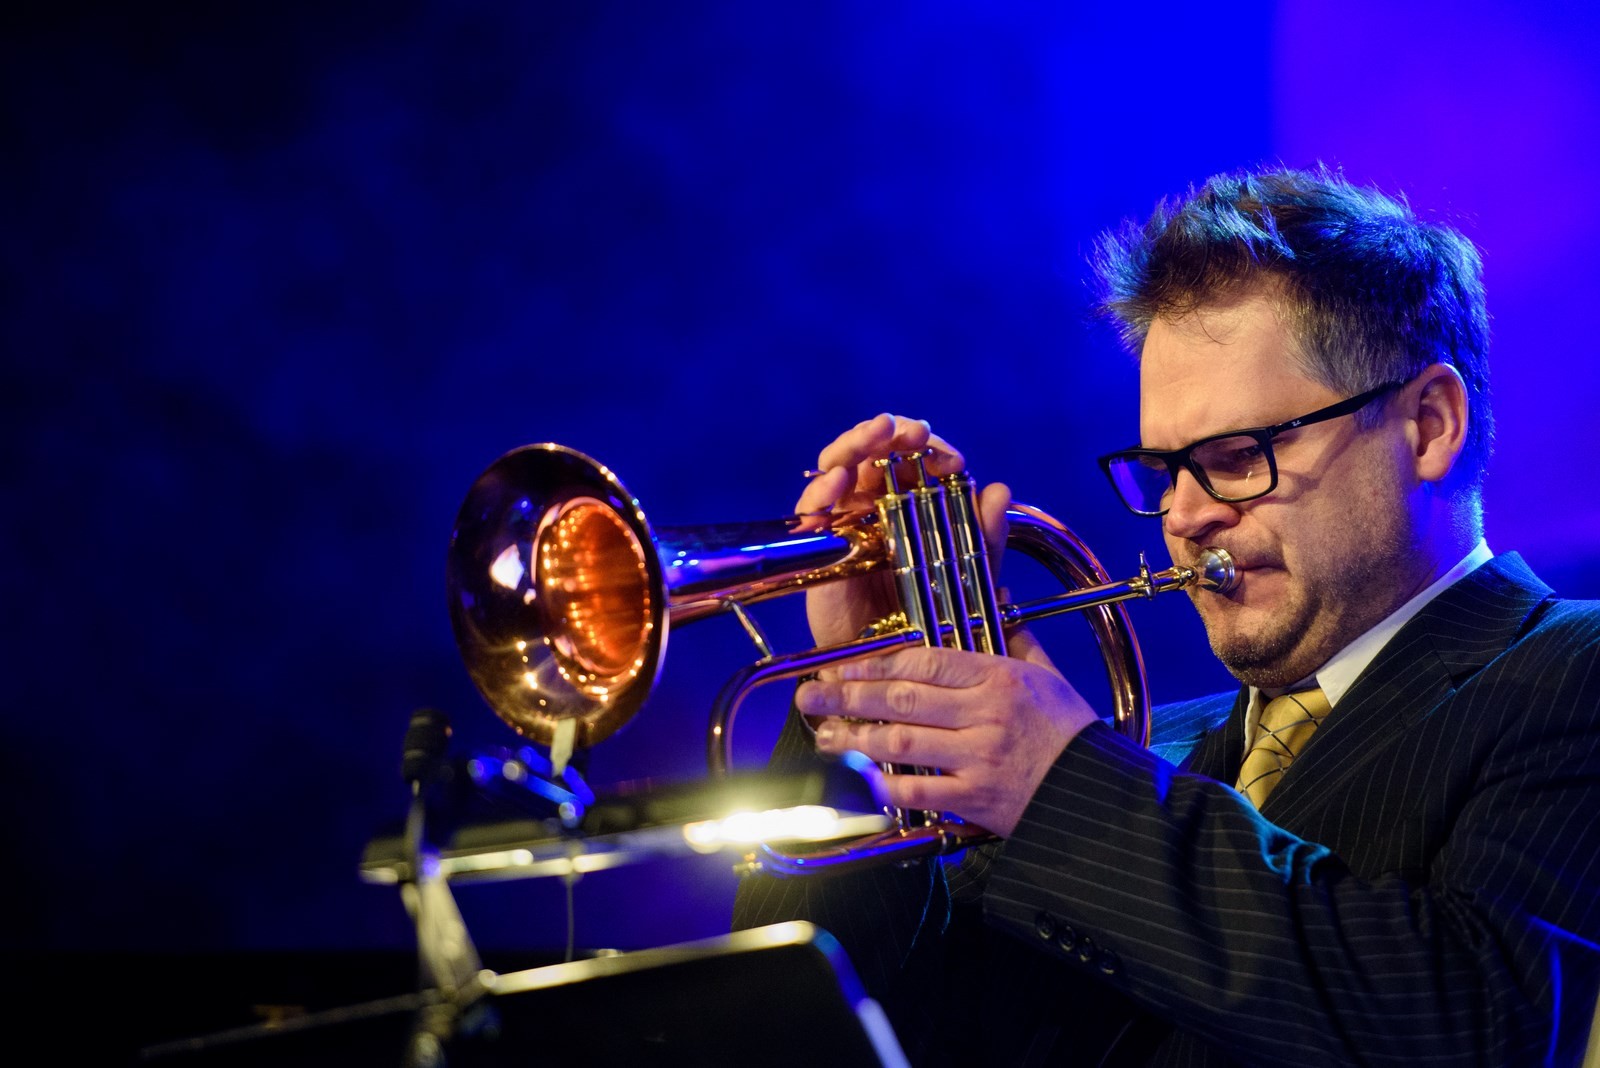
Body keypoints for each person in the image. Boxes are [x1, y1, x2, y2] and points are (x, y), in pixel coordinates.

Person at [732, 167, 1600, 1066]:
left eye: (1237, 455)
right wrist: (869, 701)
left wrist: (1065, 788)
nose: (1183, 516)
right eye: (1165, 471)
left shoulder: (1573, 671)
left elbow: (1480, 1022)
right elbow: (790, 1039)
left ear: (1428, 425)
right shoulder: (1148, 751)